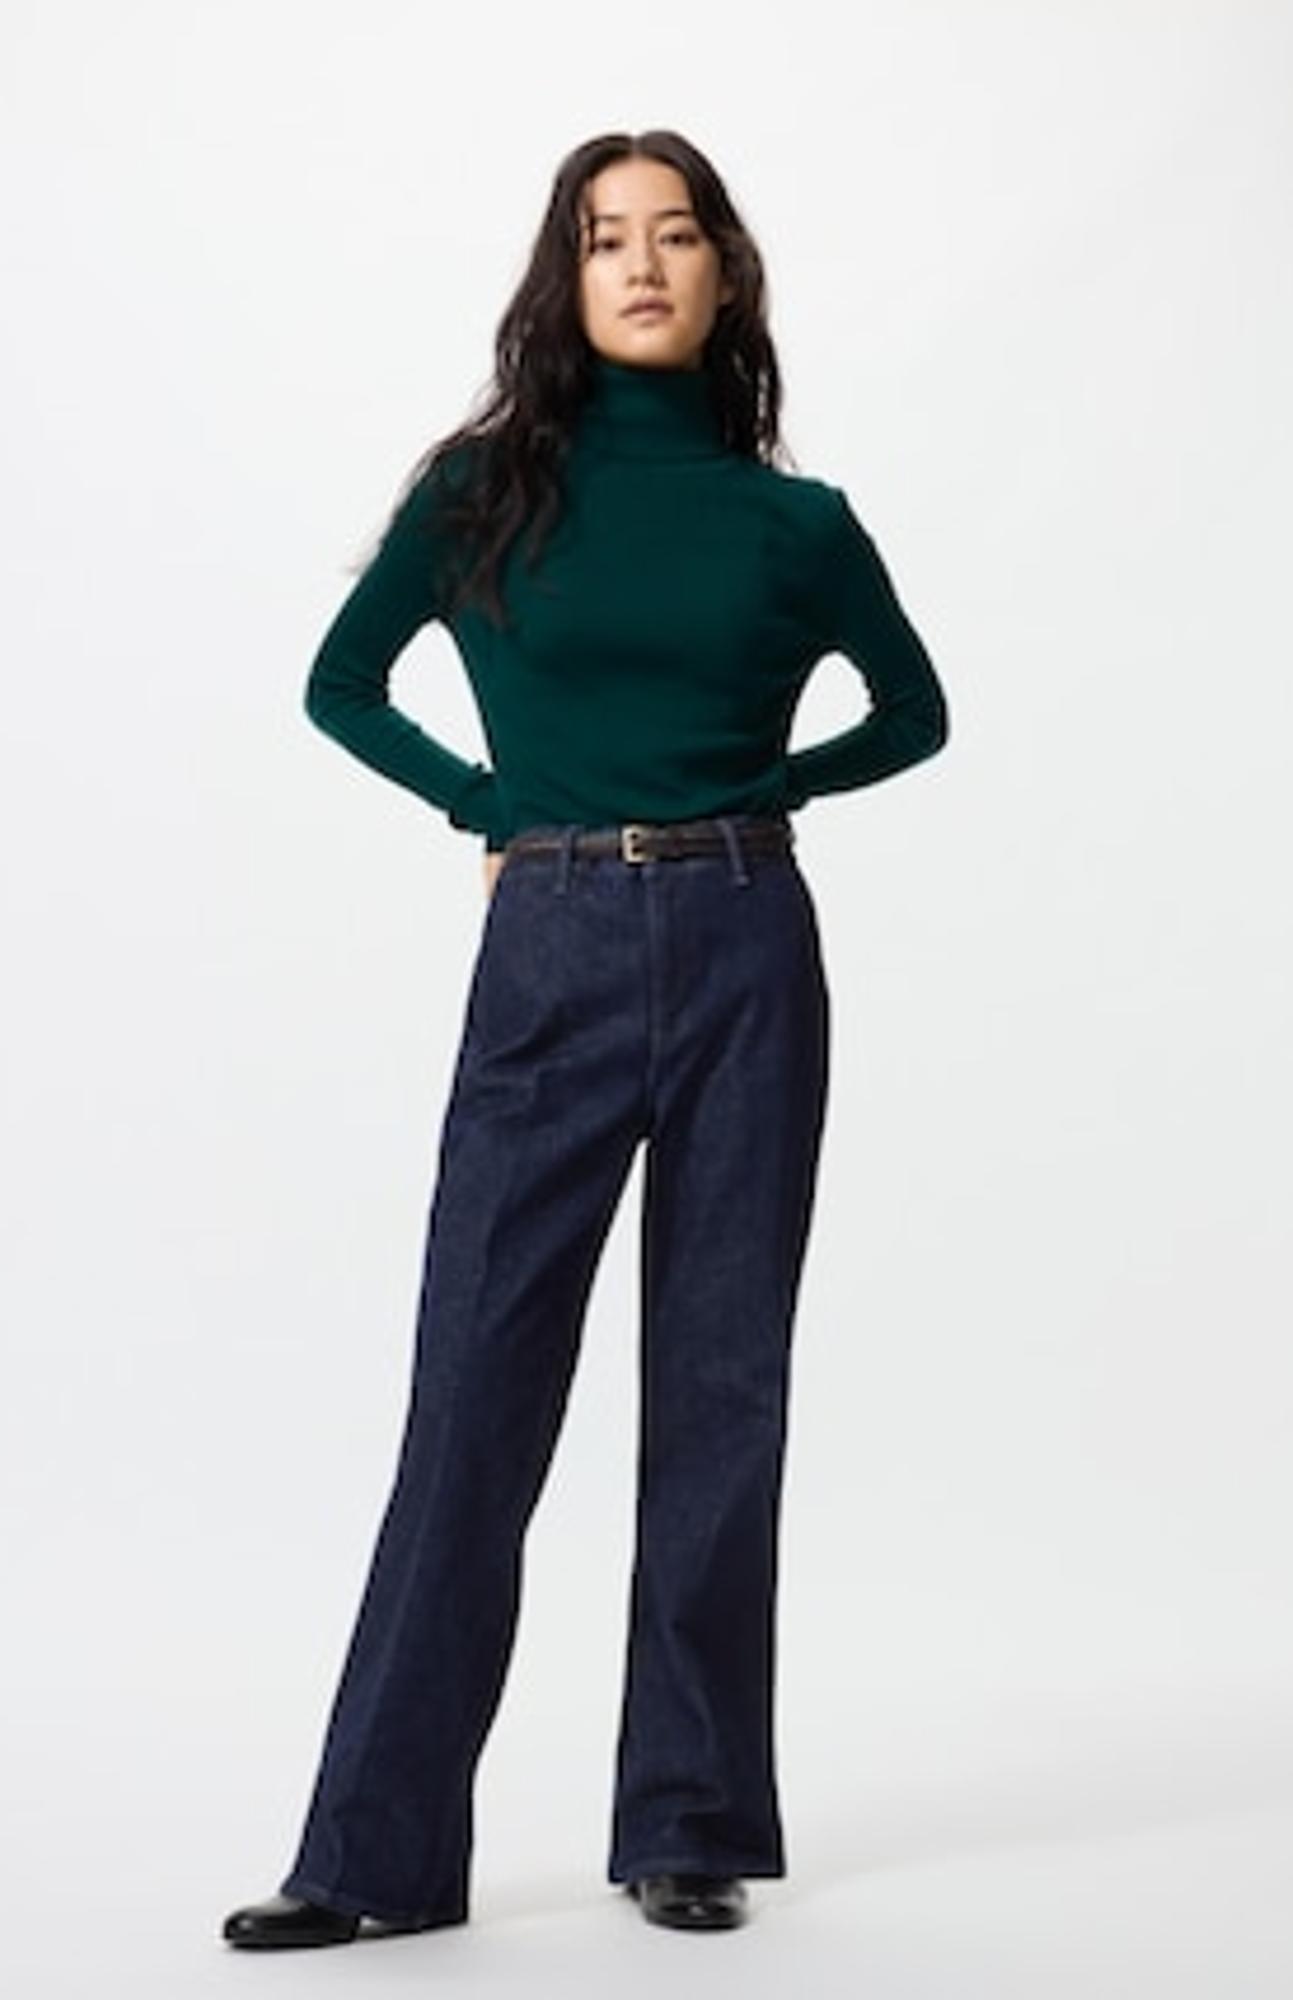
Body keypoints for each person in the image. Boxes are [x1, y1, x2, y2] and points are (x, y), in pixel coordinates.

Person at [222, 129, 948, 1949]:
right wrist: (490, 804)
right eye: (605, 236)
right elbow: (338, 683)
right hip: (548, 939)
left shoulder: (798, 525)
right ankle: (372, 1857)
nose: (640, 263)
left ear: (724, 273)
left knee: (721, 1389)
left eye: (674, 234)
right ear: (565, 275)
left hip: (746, 940)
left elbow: (916, 711)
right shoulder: (484, 492)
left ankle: (689, 1824)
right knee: (474, 1389)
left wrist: (771, 786)